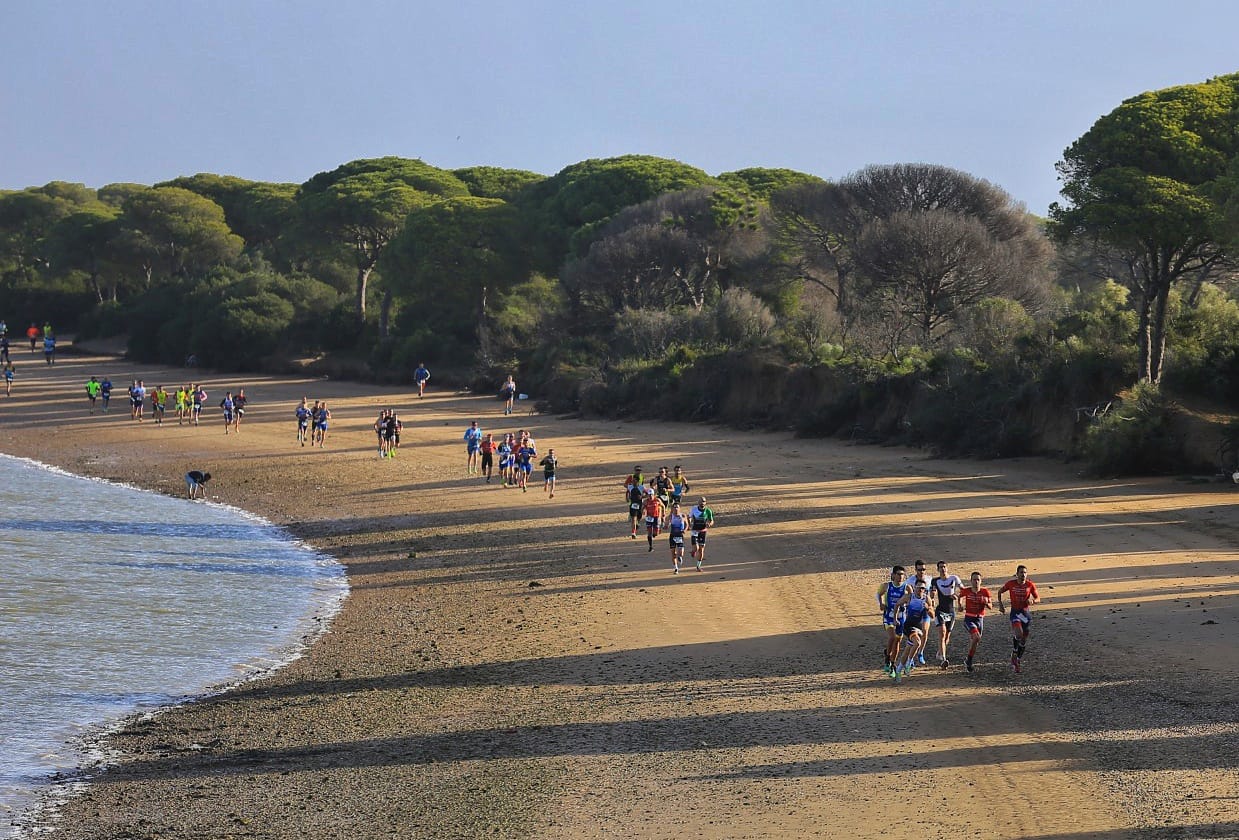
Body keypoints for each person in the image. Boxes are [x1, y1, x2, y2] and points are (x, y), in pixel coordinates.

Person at [998, 564, 1041, 674]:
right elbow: (1000, 591)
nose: (1023, 574)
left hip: (1025, 614)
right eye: (1021, 572)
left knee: (1024, 639)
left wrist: (1033, 601)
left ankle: (1017, 659)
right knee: (1019, 634)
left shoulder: (1030, 585)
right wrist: (1001, 605)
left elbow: (1038, 598)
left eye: (1025, 572)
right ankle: (1014, 651)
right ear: (1017, 574)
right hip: (1015, 613)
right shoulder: (1011, 584)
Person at [891, 582, 935, 682]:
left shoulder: (926, 598)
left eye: (922, 588)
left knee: (908, 649)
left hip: (918, 627)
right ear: (914, 588)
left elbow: (932, 615)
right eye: (918, 588)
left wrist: (928, 608)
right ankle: (908, 664)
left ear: (924, 589)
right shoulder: (909, 597)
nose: (920, 590)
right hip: (908, 625)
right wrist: (895, 619)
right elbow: (897, 604)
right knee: (917, 643)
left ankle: (898, 670)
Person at [876, 565, 909, 675]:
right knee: (892, 637)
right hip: (888, 616)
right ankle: (887, 657)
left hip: (901, 618)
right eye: (898, 574)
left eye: (902, 574)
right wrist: (881, 604)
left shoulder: (907, 588)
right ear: (893, 575)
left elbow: (911, 599)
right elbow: (878, 594)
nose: (901, 576)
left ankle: (892, 664)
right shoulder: (886, 586)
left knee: (897, 641)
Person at [930, 560, 962, 667]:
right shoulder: (935, 581)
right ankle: (943, 659)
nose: (943, 569)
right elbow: (932, 593)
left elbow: (963, 590)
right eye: (940, 567)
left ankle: (940, 652)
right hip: (940, 610)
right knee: (942, 632)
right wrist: (932, 596)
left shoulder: (954, 578)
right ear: (937, 569)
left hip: (951, 612)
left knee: (947, 637)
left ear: (947, 568)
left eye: (944, 567)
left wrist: (958, 599)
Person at [959, 572, 993, 673]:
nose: (976, 582)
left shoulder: (985, 592)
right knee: (976, 637)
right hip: (969, 618)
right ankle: (969, 660)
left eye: (978, 580)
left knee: (976, 640)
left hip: (980, 619)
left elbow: (991, 606)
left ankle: (968, 660)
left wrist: (986, 603)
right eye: (974, 579)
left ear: (981, 581)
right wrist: (960, 605)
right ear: (971, 581)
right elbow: (960, 596)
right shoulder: (967, 591)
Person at [908, 560, 934, 666]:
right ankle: (911, 658)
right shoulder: (910, 580)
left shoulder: (929, 579)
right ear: (915, 570)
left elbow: (932, 591)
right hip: (914, 610)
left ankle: (920, 652)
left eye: (923, 569)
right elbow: (906, 591)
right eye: (919, 569)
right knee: (914, 634)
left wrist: (931, 599)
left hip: (925, 609)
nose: (922, 571)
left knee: (925, 631)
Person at [689, 497, 713, 571]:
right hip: (695, 531)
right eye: (701, 501)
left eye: (704, 501)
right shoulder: (694, 509)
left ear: (705, 503)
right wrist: (689, 523)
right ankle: (693, 551)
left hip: (703, 531)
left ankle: (698, 566)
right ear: (698, 502)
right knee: (696, 548)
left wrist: (710, 524)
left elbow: (711, 520)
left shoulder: (708, 511)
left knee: (701, 550)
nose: (702, 503)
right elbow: (689, 517)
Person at [667, 502, 688, 574]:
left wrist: (685, 530)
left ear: (679, 508)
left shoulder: (683, 515)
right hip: (672, 536)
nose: (676, 508)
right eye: (674, 507)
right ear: (672, 509)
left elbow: (687, 524)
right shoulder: (670, 516)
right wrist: (666, 525)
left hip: (680, 536)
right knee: (673, 553)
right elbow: (667, 524)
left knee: (681, 553)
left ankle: (680, 557)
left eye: (677, 507)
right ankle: (676, 568)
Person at [643, 487, 664, 552]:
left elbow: (663, 506)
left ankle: (655, 533)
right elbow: (642, 508)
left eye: (651, 495)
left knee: (655, 533)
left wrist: (663, 514)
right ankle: (650, 547)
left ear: (653, 494)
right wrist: (643, 511)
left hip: (656, 517)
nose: (650, 496)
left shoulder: (657, 500)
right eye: (649, 495)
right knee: (649, 533)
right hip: (649, 517)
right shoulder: (646, 501)